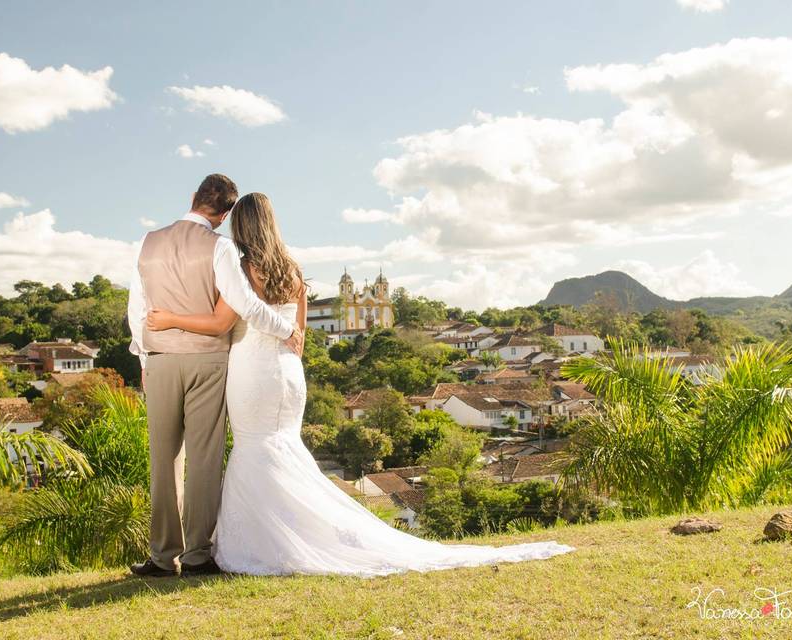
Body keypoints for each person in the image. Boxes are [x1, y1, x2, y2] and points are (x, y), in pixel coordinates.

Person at [146, 192, 573, 576]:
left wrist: (168, 319)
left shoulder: (241, 268)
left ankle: (265, 540)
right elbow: (298, 337)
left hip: (253, 370)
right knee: (283, 447)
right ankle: (296, 531)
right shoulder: (292, 271)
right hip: (288, 373)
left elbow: (224, 322)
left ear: (240, 227)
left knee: (255, 447)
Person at [127, 175, 304, 578]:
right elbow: (244, 305)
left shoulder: (146, 241)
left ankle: (160, 557)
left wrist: (143, 358)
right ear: (224, 215)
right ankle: (195, 557)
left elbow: (137, 309)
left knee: (163, 459)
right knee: (205, 459)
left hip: (159, 359)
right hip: (208, 362)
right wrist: (285, 329)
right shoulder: (220, 246)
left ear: (192, 198)